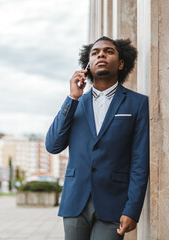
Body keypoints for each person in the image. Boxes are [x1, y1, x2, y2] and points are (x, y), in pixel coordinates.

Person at [45, 36, 149, 240]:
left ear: (120, 63)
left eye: (109, 51)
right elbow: (53, 145)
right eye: (95, 53)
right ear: (88, 66)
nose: (101, 54)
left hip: (114, 203)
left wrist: (132, 209)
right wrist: (72, 97)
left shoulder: (137, 104)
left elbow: (140, 161)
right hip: (75, 202)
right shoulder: (75, 103)